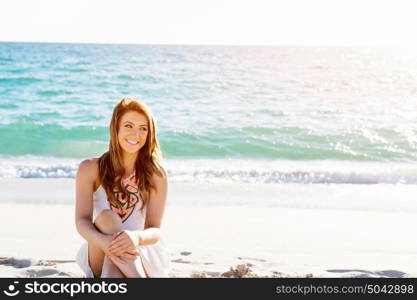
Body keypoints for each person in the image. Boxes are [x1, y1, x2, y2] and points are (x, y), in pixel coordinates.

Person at [75, 97, 170, 278]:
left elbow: (155, 230)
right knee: (106, 218)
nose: (136, 134)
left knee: (112, 269)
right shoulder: (90, 168)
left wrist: (136, 238)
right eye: (128, 126)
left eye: (143, 128)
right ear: (115, 127)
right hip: (99, 248)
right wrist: (104, 242)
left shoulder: (156, 174)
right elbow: (81, 221)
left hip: (140, 252)